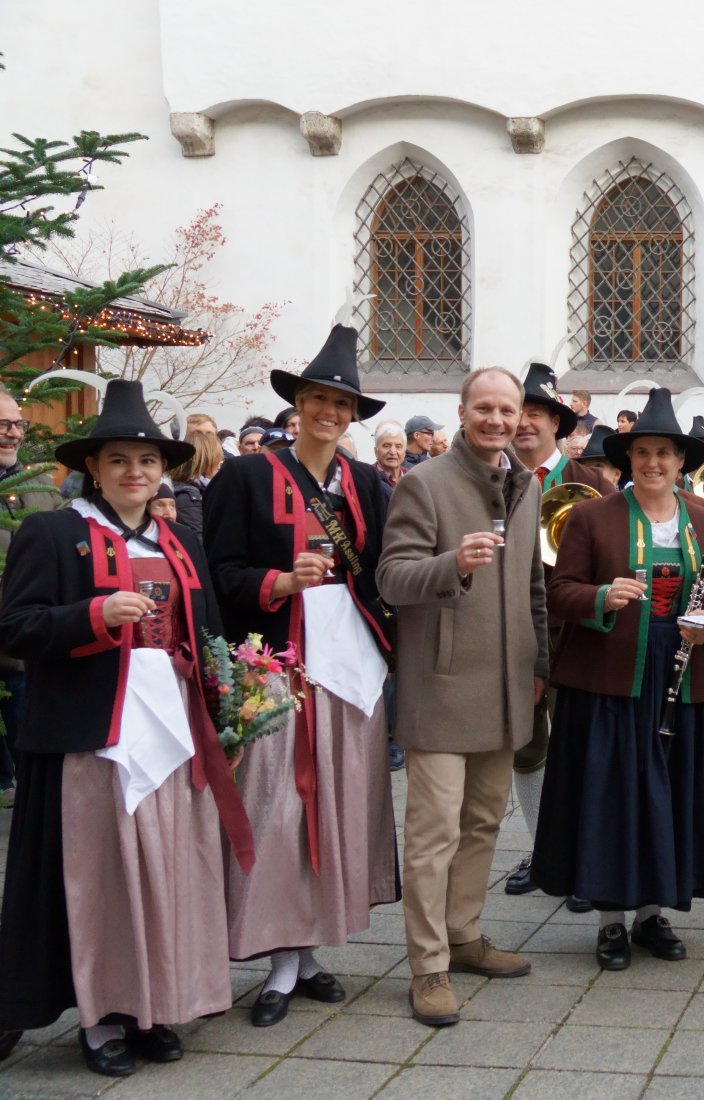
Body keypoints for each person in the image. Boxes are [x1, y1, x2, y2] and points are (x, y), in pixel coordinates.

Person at [0, 380, 254, 1077]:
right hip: (93, 742)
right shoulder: (54, 533)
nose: (134, 472)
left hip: (173, 734)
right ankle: (103, 1017)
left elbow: (209, 634)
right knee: (105, 879)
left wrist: (228, 710)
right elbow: (15, 628)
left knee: (170, 869)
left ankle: (156, 1006)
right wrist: (92, 616)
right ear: (94, 468)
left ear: (163, 469)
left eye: (146, 461)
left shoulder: (181, 541)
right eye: (118, 460)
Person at [203, 325, 398, 1028]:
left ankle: (309, 951)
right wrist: (279, 581)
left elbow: (382, 575)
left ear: (352, 416)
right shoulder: (247, 476)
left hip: (350, 667)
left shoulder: (367, 483)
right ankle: (279, 956)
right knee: (279, 806)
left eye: (342, 404)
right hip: (275, 664)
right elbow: (216, 573)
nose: (330, 412)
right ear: (299, 405)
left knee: (338, 803)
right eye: (319, 399)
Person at [531, 388, 704, 971]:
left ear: (681, 461)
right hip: (611, 682)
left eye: (664, 453)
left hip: (682, 678)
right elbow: (558, 592)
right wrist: (602, 595)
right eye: (642, 452)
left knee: (669, 794)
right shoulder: (591, 517)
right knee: (613, 798)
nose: (653, 463)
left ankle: (652, 914)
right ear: (628, 460)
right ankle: (611, 922)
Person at [377, 367, 548, 1024]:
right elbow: (392, 578)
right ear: (462, 411)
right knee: (434, 833)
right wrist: (453, 563)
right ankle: (428, 965)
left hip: (507, 686)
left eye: (507, 409)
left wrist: (540, 661)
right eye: (485, 408)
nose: (497, 420)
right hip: (442, 688)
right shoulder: (424, 484)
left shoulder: (527, 484)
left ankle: (464, 933)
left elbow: (533, 585)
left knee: (482, 823)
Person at [499, 362, 612, 900]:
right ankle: (542, 850)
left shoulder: (590, 482)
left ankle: (586, 857)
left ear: (555, 424)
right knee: (526, 747)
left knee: (582, 745)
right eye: (518, 412)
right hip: (512, 632)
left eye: (536, 413)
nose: (525, 422)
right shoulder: (489, 478)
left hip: (576, 632)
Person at [0, 390, 63, 810]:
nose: (13, 433)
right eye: (3, 425)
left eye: (18, 424)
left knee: (33, 757)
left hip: (27, 648)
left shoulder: (41, 487)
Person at [166, 429, 222, 536]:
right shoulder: (189, 497)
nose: (220, 463)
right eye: (217, 458)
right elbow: (198, 539)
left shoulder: (196, 490)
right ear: (205, 460)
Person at [373, 422, 406, 497]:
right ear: (376, 451)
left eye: (398, 446)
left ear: (404, 453)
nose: (393, 452)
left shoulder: (412, 476)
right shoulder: (368, 478)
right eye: (386, 446)